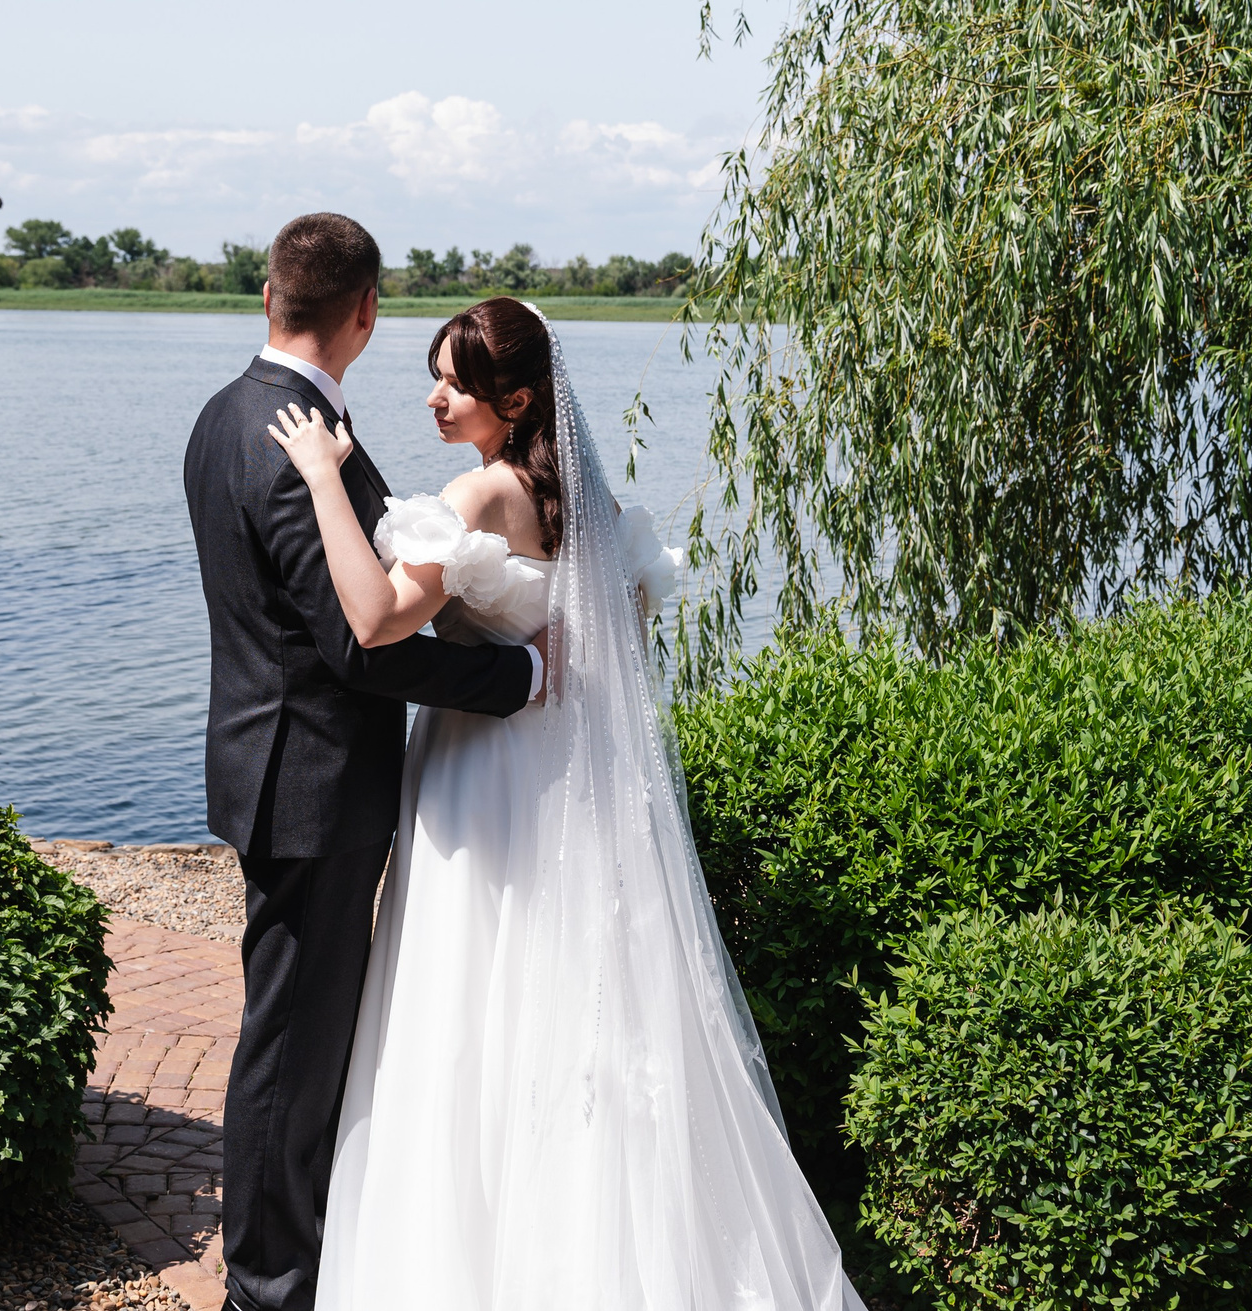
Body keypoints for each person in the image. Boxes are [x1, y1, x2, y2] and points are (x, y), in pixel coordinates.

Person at [266, 295, 868, 1310]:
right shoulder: (577, 500)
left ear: (517, 397)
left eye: (455, 382)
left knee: (464, 1009)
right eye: (435, 374)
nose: (433, 396)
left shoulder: (474, 495)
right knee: (569, 999)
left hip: (475, 780)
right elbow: (615, 635)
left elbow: (371, 619)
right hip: (565, 785)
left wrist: (325, 478)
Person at [183, 214, 543, 1311]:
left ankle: (294, 1251)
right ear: (367, 313)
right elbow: (357, 641)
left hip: (278, 764)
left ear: (267, 297)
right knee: (290, 1047)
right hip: (310, 785)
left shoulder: (225, 413)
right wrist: (515, 680)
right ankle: (270, 1282)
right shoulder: (290, 433)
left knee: (296, 1032)